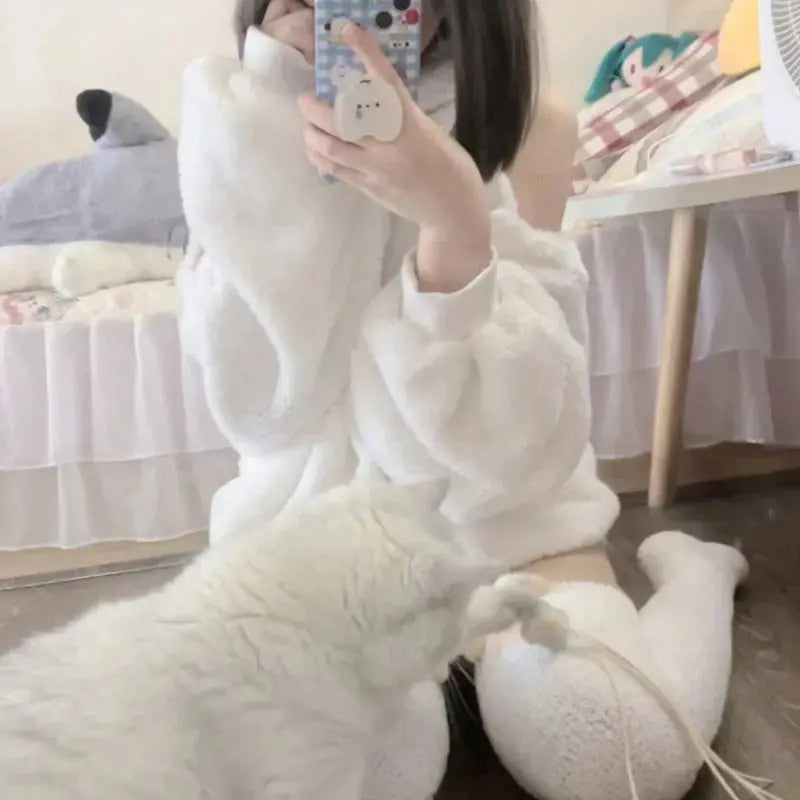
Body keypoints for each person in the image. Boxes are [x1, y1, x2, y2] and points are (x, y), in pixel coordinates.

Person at [177, 2, 749, 799]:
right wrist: (271, 119)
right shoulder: (235, 124)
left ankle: (696, 577)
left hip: (509, 522)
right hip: (323, 540)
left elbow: (523, 443)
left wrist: (455, 225)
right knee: (354, 763)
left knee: (609, 747)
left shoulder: (531, 127)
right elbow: (267, 409)